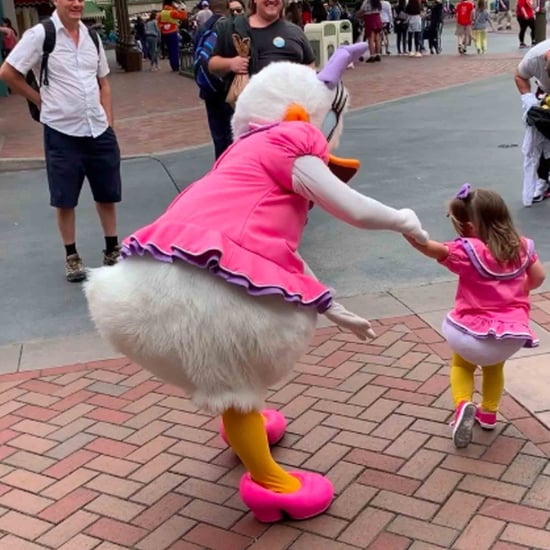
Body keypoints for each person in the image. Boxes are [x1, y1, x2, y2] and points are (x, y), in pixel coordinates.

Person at [84, 43, 429, 523]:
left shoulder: (242, 151)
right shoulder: (290, 141)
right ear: (300, 114)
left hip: (140, 289)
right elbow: (349, 206)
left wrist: (335, 309)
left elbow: (277, 261)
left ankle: (245, 423)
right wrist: (404, 220)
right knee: (236, 380)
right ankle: (269, 482)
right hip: (201, 296)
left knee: (233, 378)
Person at [405, 184, 545, 448]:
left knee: (461, 365)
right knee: (494, 367)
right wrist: (520, 289)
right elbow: (538, 277)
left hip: (470, 334)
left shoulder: (469, 251)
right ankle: (489, 412)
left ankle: (462, 406)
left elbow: (433, 249)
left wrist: (408, 232)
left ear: (468, 227)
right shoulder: (523, 247)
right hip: (510, 337)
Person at [0, 0, 122, 283]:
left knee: (107, 192)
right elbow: (7, 72)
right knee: (64, 197)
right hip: (62, 131)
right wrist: (40, 101)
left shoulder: (92, 36)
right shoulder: (41, 34)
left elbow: (103, 82)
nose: (77, 3)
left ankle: (112, 248)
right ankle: (72, 255)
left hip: (97, 128)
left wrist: (109, 121)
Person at [207, 0, 315, 156]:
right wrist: (231, 63)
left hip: (291, 122)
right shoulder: (234, 29)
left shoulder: (295, 31)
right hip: (251, 124)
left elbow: (310, 66)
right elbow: (212, 64)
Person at [514, 39, 550, 205]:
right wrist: (528, 99)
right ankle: (542, 180)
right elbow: (520, 76)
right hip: (545, 93)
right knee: (542, 138)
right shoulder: (532, 59)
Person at [158, 1, 188, 71]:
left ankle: (172, 65)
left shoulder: (161, 13)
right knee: (174, 49)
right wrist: (183, 9)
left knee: (169, 50)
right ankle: (176, 66)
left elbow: (159, 23)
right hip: (173, 31)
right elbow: (183, 17)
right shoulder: (172, 12)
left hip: (165, 33)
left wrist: (163, 27)